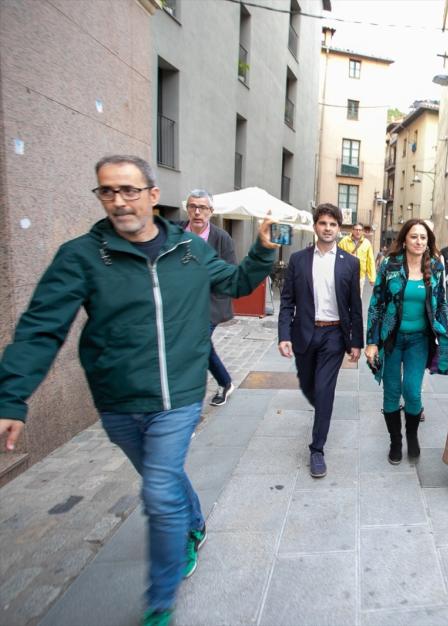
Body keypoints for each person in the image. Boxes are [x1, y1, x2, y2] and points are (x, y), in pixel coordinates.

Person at [0, 155, 278, 626]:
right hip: (119, 401)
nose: (119, 200)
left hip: (181, 395)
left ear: (152, 196)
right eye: (108, 191)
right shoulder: (82, 256)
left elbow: (232, 282)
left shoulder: (189, 250)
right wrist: (12, 397)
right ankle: (194, 524)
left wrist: (262, 253)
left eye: (129, 190)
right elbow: (40, 329)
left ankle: (159, 602)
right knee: (161, 476)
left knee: (158, 489)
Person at [278, 203, 363, 480]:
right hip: (305, 332)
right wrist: (284, 335)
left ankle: (317, 449)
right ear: (315, 226)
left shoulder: (350, 263)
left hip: (334, 335)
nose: (327, 228)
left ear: (339, 229)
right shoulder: (298, 260)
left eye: (333, 224)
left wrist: (355, 342)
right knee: (308, 385)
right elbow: (287, 300)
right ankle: (320, 407)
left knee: (325, 390)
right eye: (323, 223)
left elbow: (355, 306)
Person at [365, 219, 448, 464]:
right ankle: (395, 441)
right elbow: (376, 304)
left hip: (419, 340)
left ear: (428, 241)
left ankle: (411, 435)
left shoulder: (435, 267)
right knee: (391, 391)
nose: (419, 241)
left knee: (412, 391)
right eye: (414, 237)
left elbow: (441, 302)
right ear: (404, 239)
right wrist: (371, 341)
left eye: (423, 237)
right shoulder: (390, 265)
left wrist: (442, 332)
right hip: (391, 339)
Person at [181, 189, 238, 407]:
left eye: (202, 207)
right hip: (179, 305)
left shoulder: (221, 238)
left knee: (195, 345)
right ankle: (225, 382)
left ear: (211, 211)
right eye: (192, 206)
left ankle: (186, 406)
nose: (197, 212)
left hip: (208, 305)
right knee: (201, 346)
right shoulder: (174, 232)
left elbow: (230, 273)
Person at [337, 222, 376, 293]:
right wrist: (347, 256)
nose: (358, 231)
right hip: (346, 275)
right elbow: (337, 255)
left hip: (360, 276)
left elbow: (370, 261)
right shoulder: (344, 241)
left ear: (362, 231)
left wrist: (372, 278)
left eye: (360, 230)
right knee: (344, 296)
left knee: (357, 298)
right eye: (356, 229)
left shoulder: (367, 243)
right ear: (352, 230)